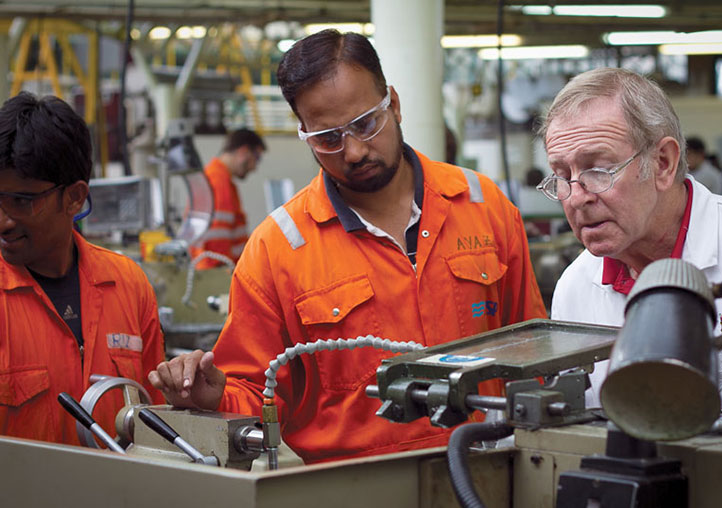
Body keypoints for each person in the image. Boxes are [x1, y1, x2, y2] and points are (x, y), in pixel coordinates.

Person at [150, 29, 547, 464]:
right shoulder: (278, 249)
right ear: (304, 133)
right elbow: (255, 390)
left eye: (365, 124)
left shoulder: (482, 205)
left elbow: (534, 351)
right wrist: (213, 397)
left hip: (487, 468)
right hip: (353, 484)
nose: (354, 151)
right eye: (328, 138)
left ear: (393, 103)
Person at [539, 68, 722, 411]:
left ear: (662, 163)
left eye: (598, 169)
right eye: (561, 175)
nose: (575, 197)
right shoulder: (575, 288)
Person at [0, 92, 165, 445]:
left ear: (74, 197)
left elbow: (157, 415)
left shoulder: (126, 284)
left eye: (22, 201)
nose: (4, 221)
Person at [190, 128, 266, 269]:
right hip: (217, 273)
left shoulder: (218, 178)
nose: (255, 168)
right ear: (243, 152)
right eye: (257, 158)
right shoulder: (218, 181)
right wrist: (223, 270)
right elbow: (217, 239)